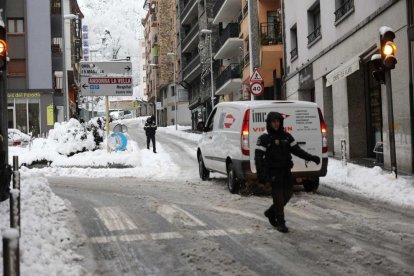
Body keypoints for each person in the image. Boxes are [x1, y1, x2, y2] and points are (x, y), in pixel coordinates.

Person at [255, 112, 320, 233]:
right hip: (273, 172)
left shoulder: (286, 136)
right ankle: (281, 223)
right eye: (273, 121)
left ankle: (270, 212)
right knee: (278, 197)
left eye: (278, 121)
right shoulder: (264, 138)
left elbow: (297, 151)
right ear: (269, 123)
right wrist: (261, 175)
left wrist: (311, 157)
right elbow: (258, 158)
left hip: (286, 171)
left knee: (288, 194)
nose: (276, 124)